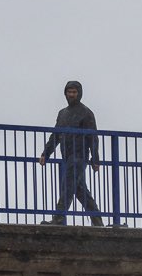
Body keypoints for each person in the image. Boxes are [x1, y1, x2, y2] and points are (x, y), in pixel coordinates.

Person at [37, 80, 103, 225]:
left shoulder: (86, 113)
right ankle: (97, 220)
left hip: (80, 156)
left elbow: (93, 137)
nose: (71, 95)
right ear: (65, 93)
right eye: (69, 92)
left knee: (67, 184)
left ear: (79, 94)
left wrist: (95, 159)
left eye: (74, 92)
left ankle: (58, 218)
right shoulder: (62, 113)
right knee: (79, 190)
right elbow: (56, 135)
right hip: (67, 156)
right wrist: (45, 153)